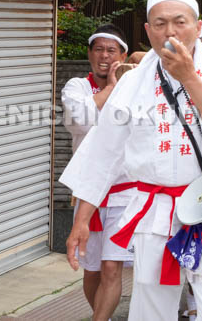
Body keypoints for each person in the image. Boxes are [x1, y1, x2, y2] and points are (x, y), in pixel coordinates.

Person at [61, 0, 202, 320]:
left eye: (180, 22)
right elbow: (102, 151)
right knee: (151, 307)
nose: (170, 31)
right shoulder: (132, 81)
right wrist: (81, 219)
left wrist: (189, 77)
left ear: (198, 27)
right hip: (154, 212)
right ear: (148, 31)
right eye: (160, 23)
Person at [61, 24, 134, 321]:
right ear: (90, 54)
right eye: (99, 49)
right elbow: (80, 120)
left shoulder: (136, 88)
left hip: (124, 190)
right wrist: (112, 88)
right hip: (88, 189)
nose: (105, 56)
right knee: (91, 270)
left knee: (111, 266)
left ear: (123, 55)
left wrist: (124, 82)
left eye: (112, 50)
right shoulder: (76, 87)